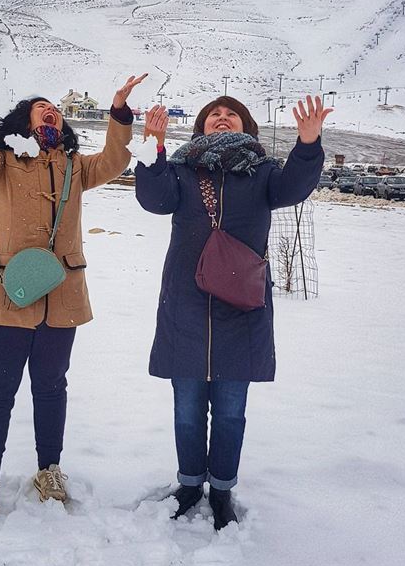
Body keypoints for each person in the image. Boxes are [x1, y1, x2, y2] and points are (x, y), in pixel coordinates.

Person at [0, 58, 147, 516]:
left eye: (55, 107)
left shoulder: (76, 167)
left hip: (62, 297)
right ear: (25, 121)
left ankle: (49, 468)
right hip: (6, 292)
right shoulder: (1, 162)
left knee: (52, 387)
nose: (51, 110)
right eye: (41, 107)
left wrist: (119, 111)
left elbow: (116, 161)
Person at [135, 95, 329, 529]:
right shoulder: (182, 170)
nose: (222, 118)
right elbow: (153, 199)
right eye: (214, 115)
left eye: (231, 114)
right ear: (202, 127)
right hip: (185, 306)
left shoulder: (262, 173)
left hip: (241, 309)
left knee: (229, 412)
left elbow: (294, 188)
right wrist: (153, 147)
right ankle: (189, 484)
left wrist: (308, 144)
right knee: (186, 410)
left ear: (246, 127)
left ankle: (221, 490)